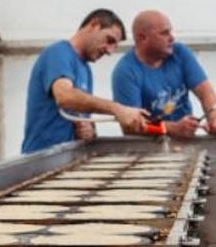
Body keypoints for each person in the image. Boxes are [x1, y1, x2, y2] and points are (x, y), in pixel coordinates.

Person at [21, 9, 147, 154]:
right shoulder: (58, 53)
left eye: (114, 46)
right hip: (42, 159)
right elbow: (65, 96)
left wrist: (90, 131)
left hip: (68, 159)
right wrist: (117, 109)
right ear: (93, 25)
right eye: (109, 40)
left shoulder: (86, 70)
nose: (110, 51)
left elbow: (80, 116)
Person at [111, 10, 216, 139]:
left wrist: (214, 119)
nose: (172, 38)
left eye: (170, 32)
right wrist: (171, 128)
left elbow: (206, 92)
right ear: (142, 38)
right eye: (164, 33)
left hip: (184, 142)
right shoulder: (126, 72)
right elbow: (130, 126)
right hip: (148, 148)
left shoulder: (180, 53)